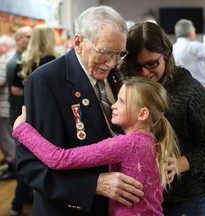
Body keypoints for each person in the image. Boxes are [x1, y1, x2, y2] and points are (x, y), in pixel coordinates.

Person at [15, 6, 145, 216]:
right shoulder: (46, 81)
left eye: (118, 54)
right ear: (78, 42)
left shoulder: (113, 75)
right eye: (105, 52)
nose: (112, 63)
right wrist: (94, 184)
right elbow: (31, 165)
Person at [12, 76, 181, 216]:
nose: (114, 105)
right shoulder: (153, 141)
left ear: (143, 113)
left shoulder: (127, 144)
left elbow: (58, 158)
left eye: (122, 102)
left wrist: (22, 130)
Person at [119, 21, 205, 216]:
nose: (144, 73)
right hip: (142, 195)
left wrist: (178, 163)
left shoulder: (190, 90)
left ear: (166, 54)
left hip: (190, 195)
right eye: (136, 66)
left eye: (152, 64)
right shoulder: (124, 86)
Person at [7, 24, 56, 216]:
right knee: (44, 163)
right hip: (42, 120)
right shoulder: (51, 61)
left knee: (26, 162)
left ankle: (17, 204)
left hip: (22, 116)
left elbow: (16, 90)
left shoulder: (23, 61)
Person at [0, 35, 16, 180]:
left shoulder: (4, 59)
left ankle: (13, 166)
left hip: (4, 105)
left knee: (6, 138)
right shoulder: (16, 55)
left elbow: (1, 81)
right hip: (11, 104)